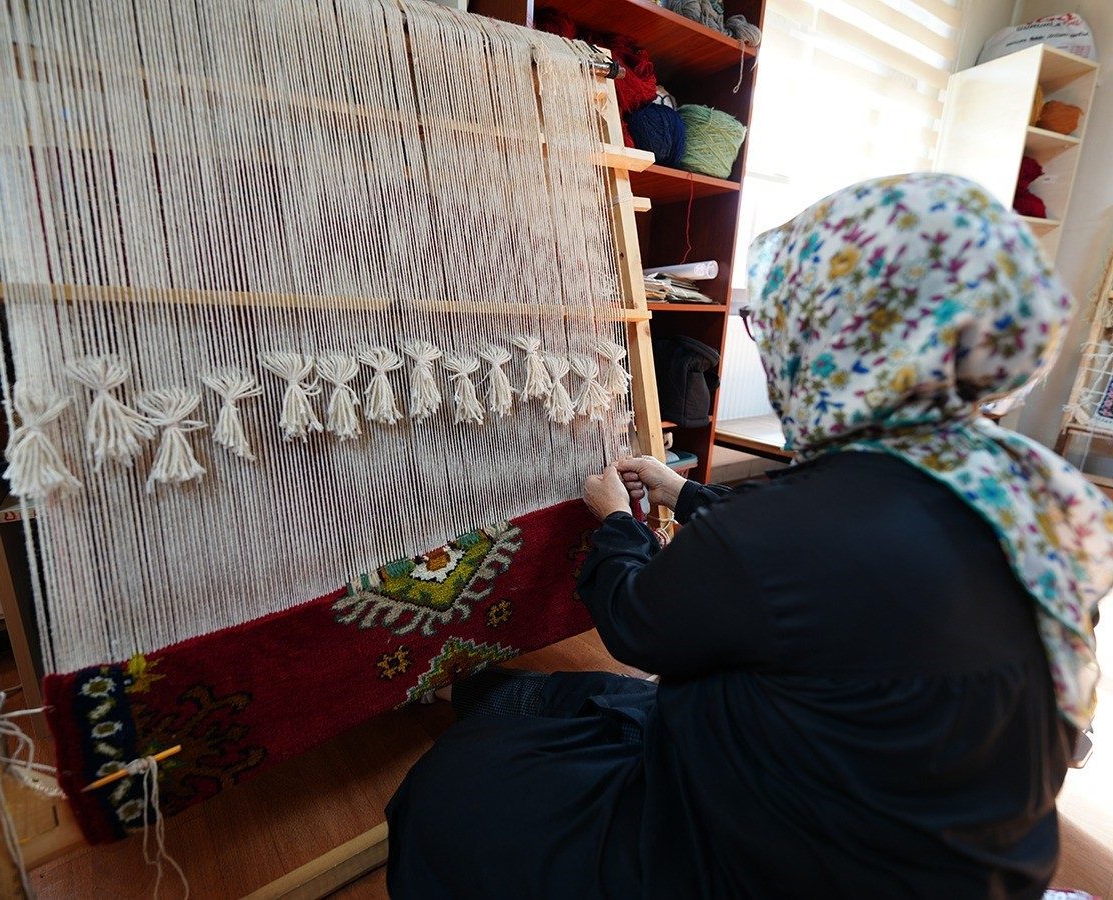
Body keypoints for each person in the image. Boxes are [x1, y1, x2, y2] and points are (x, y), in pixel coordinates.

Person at [385, 173, 1111, 899]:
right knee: (581, 705)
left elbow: (639, 623)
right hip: (967, 856)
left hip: (786, 870)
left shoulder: (793, 527)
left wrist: (616, 520)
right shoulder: (1039, 491)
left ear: (837, 334)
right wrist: (685, 493)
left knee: (450, 792)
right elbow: (845, 566)